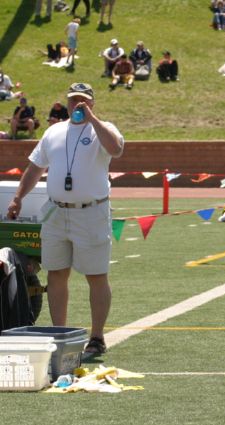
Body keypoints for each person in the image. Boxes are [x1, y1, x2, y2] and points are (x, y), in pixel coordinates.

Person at [6, 82, 123, 358]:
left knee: (96, 275)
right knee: (57, 273)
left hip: (91, 212)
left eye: (82, 101)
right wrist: (18, 197)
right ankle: (60, 333)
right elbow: (35, 168)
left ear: (92, 103)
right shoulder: (53, 131)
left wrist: (92, 120)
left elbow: (116, 149)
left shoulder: (103, 129)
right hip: (56, 212)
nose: (77, 105)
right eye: (72, 100)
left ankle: (96, 337)